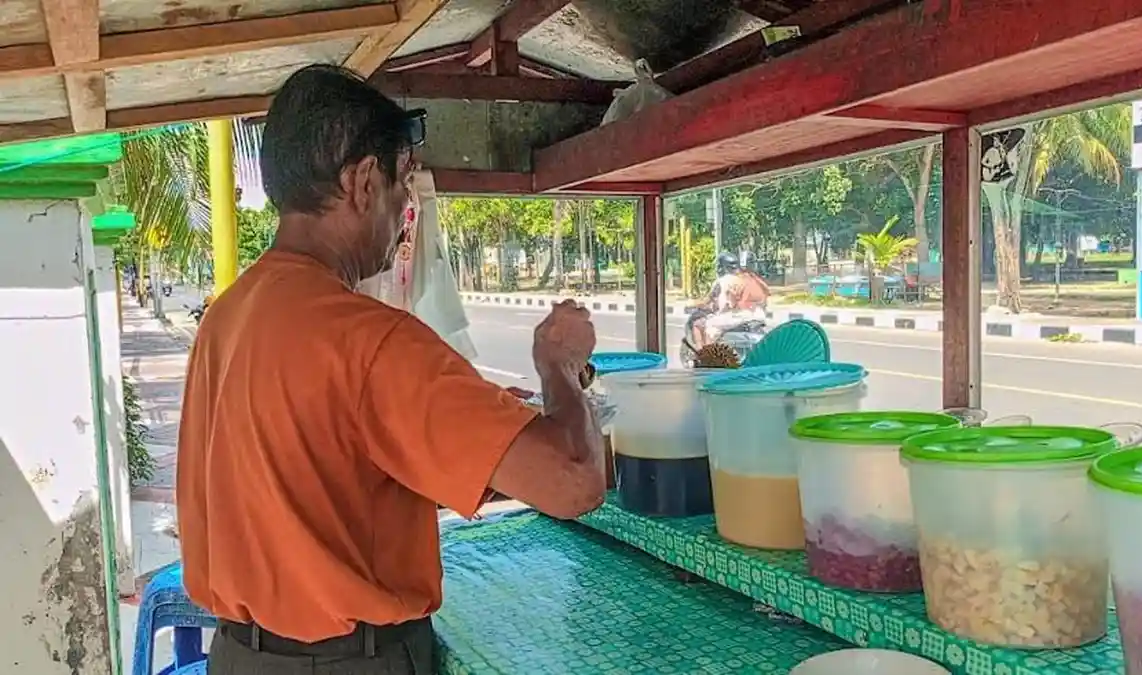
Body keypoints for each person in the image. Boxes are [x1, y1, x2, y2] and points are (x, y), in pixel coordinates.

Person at [176, 64, 606, 675]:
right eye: (403, 182)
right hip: (347, 663)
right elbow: (574, 483)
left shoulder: (227, 317)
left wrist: (486, 433)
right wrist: (560, 365)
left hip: (240, 655)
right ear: (361, 182)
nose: (406, 207)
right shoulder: (370, 338)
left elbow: (312, 472)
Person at [688, 251, 741, 348]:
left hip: (727, 318)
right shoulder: (742, 280)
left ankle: (705, 354)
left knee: (697, 325)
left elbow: (707, 300)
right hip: (743, 317)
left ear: (721, 267)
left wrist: (694, 304)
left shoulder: (721, 282)